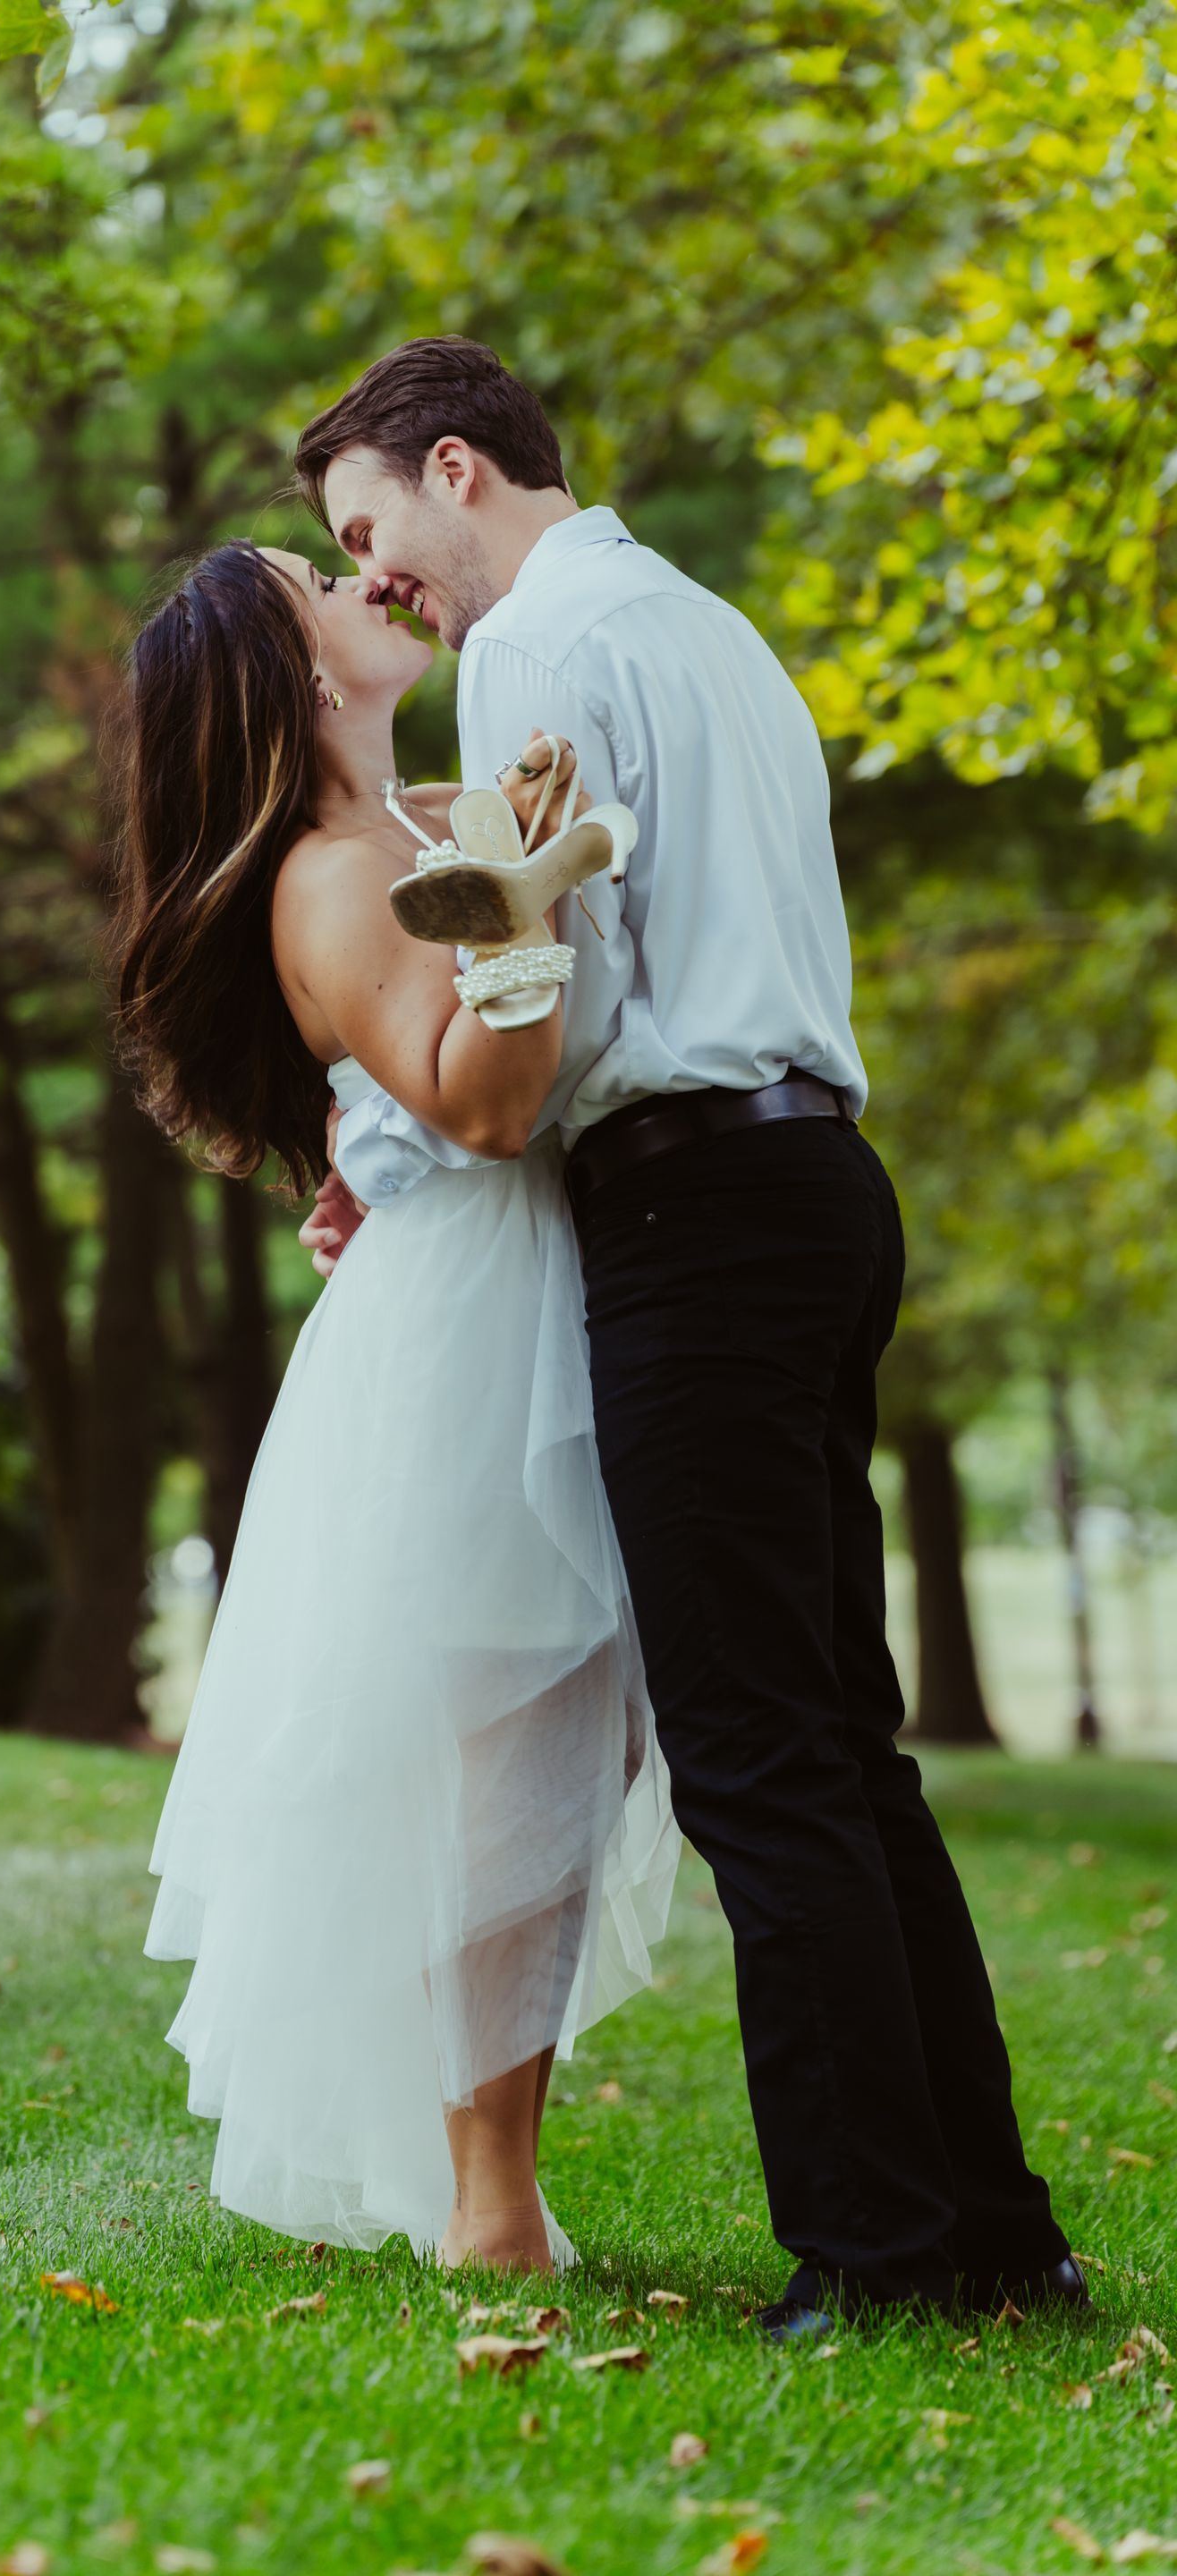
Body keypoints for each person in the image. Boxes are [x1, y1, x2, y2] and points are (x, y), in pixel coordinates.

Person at [290, 336, 1084, 2339]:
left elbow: (550, 1037)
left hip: (695, 1214)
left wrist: (391, 1143)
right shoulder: (711, 629)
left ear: (454, 469)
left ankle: (877, 2251)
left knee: (755, 1756)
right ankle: (990, 2234)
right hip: (824, 1186)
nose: (376, 580)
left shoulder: (540, 650)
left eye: (368, 534)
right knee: (845, 1744)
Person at [114, 538, 680, 2275]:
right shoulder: (332, 873)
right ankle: (489, 2202)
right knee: (517, 1744)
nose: (370, 585)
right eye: (316, 579)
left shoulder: (423, 812)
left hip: (516, 1286)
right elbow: (486, 1109)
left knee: (571, 1744)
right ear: (286, 670)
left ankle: (490, 2179)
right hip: (476, 1325)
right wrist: (528, 914)